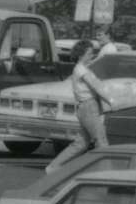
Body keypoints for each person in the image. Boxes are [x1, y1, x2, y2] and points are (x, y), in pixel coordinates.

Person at [44, 40, 111, 174]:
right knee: (101, 141)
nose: (91, 55)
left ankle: (53, 167)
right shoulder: (81, 70)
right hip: (89, 107)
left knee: (81, 143)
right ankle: (106, 174)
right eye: (89, 53)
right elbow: (96, 86)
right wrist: (112, 100)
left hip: (84, 108)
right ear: (81, 55)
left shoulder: (80, 69)